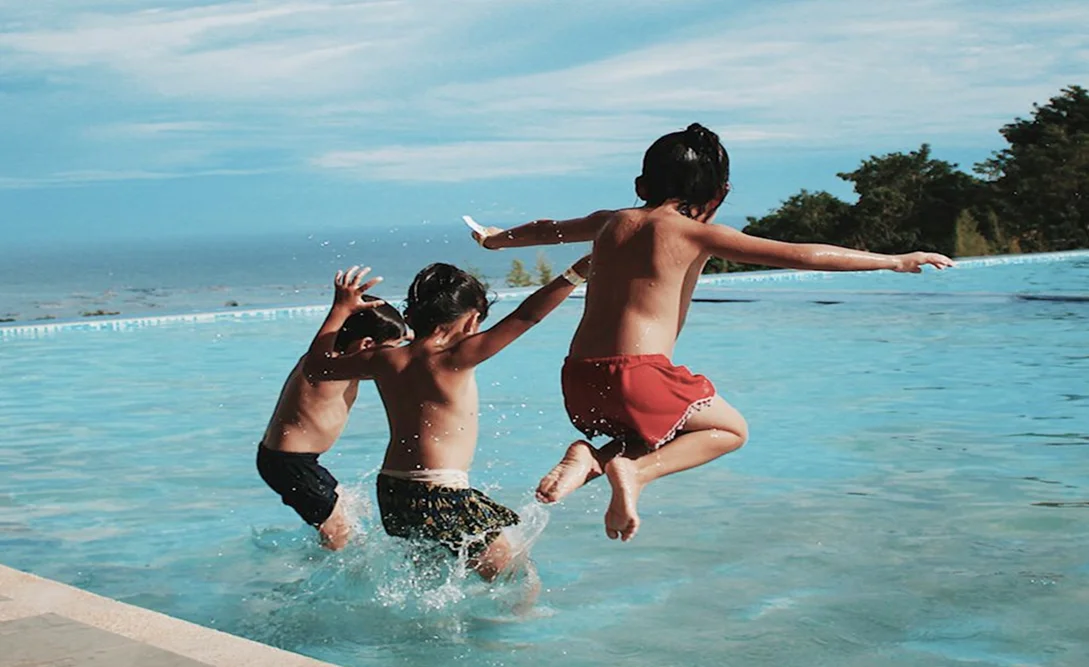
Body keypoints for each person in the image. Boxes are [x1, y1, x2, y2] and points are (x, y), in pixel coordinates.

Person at [470, 122, 955, 542]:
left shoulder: (608, 223)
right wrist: (893, 260)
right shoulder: (694, 232)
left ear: (641, 184)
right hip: (640, 373)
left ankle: (592, 458)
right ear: (717, 195)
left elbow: (546, 229)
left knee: (657, 431)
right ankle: (630, 472)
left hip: (579, 378)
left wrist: (496, 239)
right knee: (728, 430)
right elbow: (804, 254)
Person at [307, 257, 590, 586]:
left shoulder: (386, 359)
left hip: (393, 492)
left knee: (429, 579)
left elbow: (317, 367)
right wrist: (576, 272)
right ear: (471, 321)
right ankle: (512, 635)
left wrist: (340, 309)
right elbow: (527, 316)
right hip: (440, 492)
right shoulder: (456, 357)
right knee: (518, 577)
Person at [257, 273, 409, 551]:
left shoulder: (346, 362)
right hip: (289, 463)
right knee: (338, 533)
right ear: (366, 346)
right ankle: (321, 584)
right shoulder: (325, 368)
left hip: (296, 461)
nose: (395, 356)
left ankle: (317, 557)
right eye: (391, 349)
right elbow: (322, 350)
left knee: (349, 509)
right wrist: (340, 308)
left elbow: (405, 339)